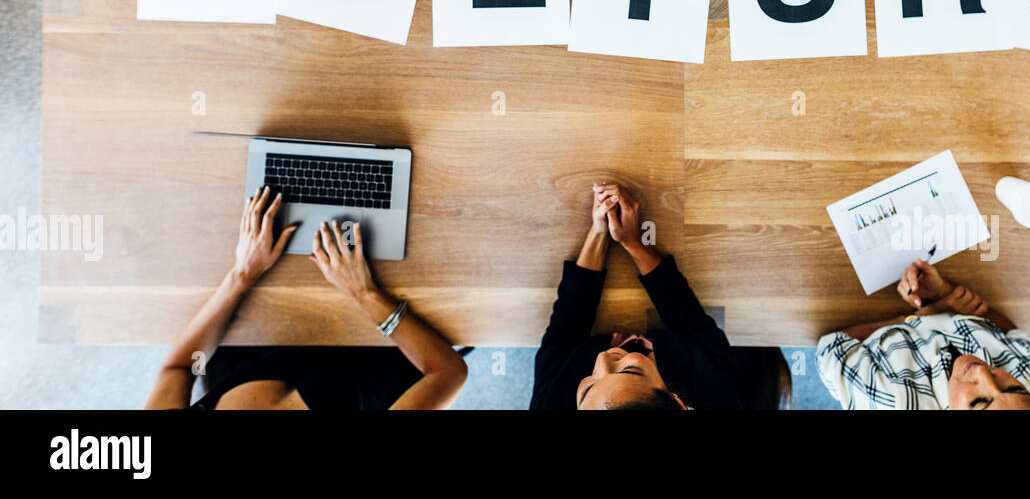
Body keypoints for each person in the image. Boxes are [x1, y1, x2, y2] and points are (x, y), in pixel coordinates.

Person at [144, 186, 467, 409]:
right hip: (383, 351)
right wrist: (364, 293)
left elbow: (178, 368)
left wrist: (243, 273)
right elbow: (447, 373)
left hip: (275, 335)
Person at [531, 182, 745, 410]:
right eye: (629, 369)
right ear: (677, 400)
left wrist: (598, 233)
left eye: (586, 390)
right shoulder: (718, 395)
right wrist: (635, 243)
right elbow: (689, 318)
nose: (602, 359)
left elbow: (564, 331)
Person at [817, 259, 1030, 409]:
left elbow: (832, 344)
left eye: (979, 402)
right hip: (947, 284)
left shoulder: (888, 400)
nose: (982, 373)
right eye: (1014, 389)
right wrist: (945, 293)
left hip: (861, 298)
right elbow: (1010, 332)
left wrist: (923, 314)